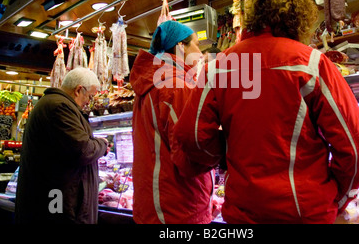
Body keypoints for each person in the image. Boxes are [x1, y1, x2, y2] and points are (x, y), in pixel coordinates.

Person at [173, 0, 359, 224]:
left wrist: (221, 154)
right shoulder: (311, 63)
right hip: (305, 211)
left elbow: (190, 134)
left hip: (244, 211)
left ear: (253, 16)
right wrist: (339, 195)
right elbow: (355, 143)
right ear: (299, 18)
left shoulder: (217, 67)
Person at [129, 20, 213, 224]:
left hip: (154, 202)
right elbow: (189, 155)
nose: (200, 54)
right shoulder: (175, 85)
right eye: (196, 45)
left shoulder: (151, 83)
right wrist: (220, 148)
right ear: (180, 47)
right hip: (178, 208)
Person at [15, 67, 109, 224]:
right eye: (90, 96)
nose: (88, 103)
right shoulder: (59, 107)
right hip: (56, 201)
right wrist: (102, 144)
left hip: (57, 198)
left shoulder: (55, 104)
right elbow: (82, 150)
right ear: (79, 90)